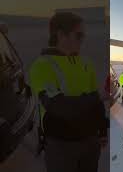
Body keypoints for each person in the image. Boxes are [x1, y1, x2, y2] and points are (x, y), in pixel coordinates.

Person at [29, 12, 108, 172]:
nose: (82, 40)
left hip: (91, 143)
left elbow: (97, 102)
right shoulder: (42, 66)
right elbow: (59, 107)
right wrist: (93, 98)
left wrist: (102, 130)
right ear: (60, 35)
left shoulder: (86, 63)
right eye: (78, 35)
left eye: (83, 36)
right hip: (62, 146)